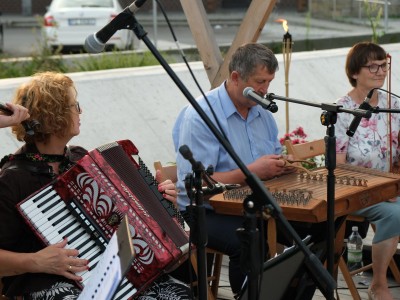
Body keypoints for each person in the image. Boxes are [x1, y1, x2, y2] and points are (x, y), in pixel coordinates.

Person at [0, 71, 190, 300]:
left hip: (110, 272)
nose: (80, 112)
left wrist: (157, 200)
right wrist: (36, 261)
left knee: (179, 294)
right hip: (45, 280)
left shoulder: (79, 159)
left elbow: (118, 212)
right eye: (74, 105)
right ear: (55, 115)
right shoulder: (13, 178)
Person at [172, 43, 324, 297]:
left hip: (254, 203)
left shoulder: (262, 114)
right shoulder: (200, 115)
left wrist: (280, 165)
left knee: (320, 228)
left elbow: (269, 161)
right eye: (260, 82)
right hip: (205, 209)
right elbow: (198, 185)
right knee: (251, 240)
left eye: (269, 81)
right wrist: (254, 171)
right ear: (235, 77)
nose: (265, 90)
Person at [335, 41, 400, 300]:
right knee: (396, 214)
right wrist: (381, 188)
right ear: (354, 73)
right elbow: (338, 167)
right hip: (356, 190)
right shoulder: (342, 109)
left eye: (383, 65)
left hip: (389, 186)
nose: (380, 71)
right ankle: (379, 284)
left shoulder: (392, 102)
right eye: (372, 66)